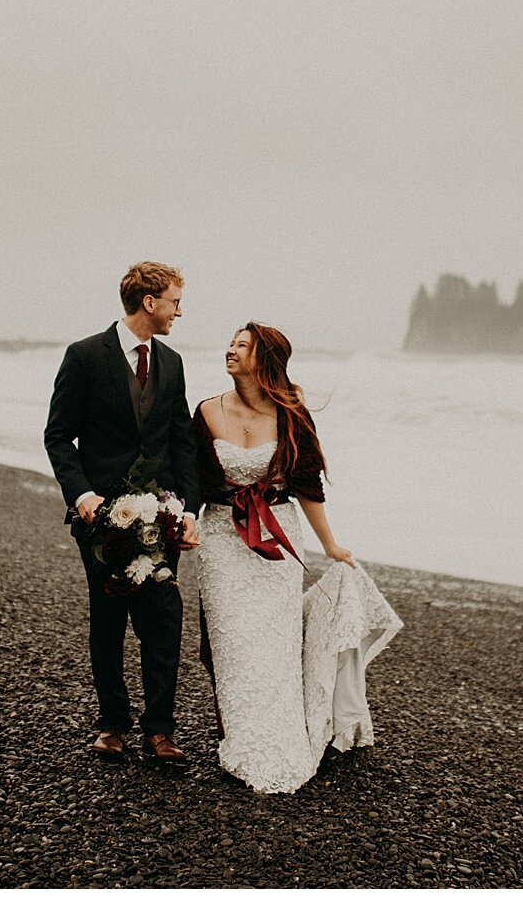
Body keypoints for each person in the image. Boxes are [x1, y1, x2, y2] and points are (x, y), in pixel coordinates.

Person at [192, 322, 402, 793]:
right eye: (230, 344)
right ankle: (238, 730)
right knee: (230, 638)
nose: (230, 351)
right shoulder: (205, 410)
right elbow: (191, 479)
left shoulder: (292, 415)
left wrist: (330, 545)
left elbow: (308, 485)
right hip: (222, 535)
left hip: (277, 535)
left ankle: (280, 732)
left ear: (263, 359)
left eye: (241, 346)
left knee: (275, 640)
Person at [43, 261, 202, 763]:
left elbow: (180, 440)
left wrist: (187, 507)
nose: (181, 309)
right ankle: (112, 724)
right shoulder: (85, 355)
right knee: (108, 619)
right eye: (175, 300)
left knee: (162, 619)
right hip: (99, 520)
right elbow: (58, 435)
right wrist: (81, 494)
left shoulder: (172, 363)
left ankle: (160, 730)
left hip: (159, 520)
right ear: (149, 301)